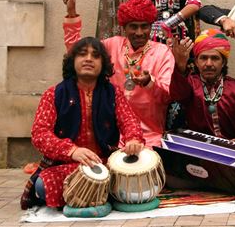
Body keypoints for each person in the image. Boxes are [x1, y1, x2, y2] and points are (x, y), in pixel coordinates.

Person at [20, 37, 144, 209]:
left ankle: (88, 196)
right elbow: (40, 134)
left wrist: (133, 140)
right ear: (73, 61)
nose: (88, 59)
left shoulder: (113, 93)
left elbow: (129, 121)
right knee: (42, 186)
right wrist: (72, 151)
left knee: (136, 179)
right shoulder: (54, 94)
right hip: (68, 166)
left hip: (106, 164)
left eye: (95, 56)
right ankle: (105, 196)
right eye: (82, 54)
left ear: (103, 64)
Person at [63, 0, 174, 147]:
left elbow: (167, 97)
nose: (139, 33)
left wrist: (150, 83)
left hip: (148, 136)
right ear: (124, 28)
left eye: (144, 27)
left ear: (151, 27)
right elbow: (77, 52)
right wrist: (71, 13)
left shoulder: (162, 53)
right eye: (133, 27)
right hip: (107, 132)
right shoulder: (112, 45)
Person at [169, 29, 235, 143]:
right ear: (196, 62)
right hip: (198, 151)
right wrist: (180, 67)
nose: (209, 64)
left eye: (215, 58)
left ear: (223, 62)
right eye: (203, 58)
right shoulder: (190, 83)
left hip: (233, 149)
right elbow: (178, 95)